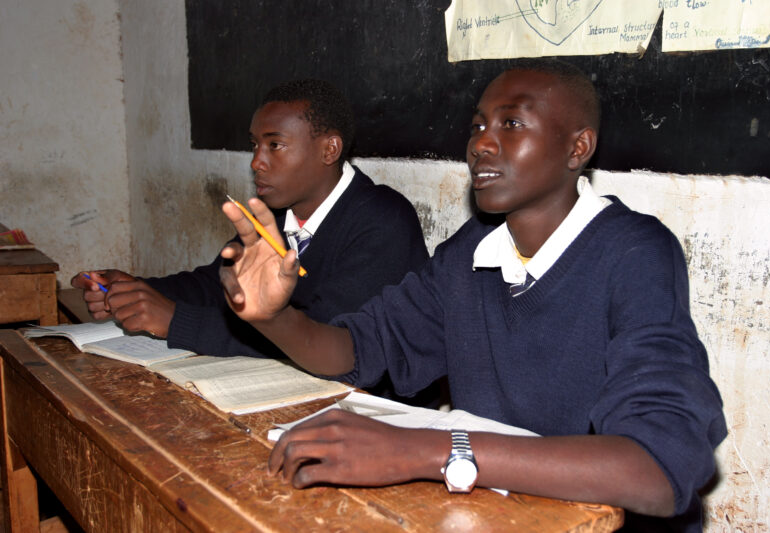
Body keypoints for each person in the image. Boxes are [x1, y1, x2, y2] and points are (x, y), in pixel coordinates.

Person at [218, 61, 726, 531]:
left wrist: (428, 450)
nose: (481, 144)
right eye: (477, 126)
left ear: (578, 148)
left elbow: (657, 469)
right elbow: (361, 347)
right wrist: (274, 317)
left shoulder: (633, 252)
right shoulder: (472, 254)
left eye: (511, 125)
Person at [70, 79, 429, 362]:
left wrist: (174, 320)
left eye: (275, 145)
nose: (257, 161)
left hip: (366, 412)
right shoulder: (273, 215)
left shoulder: (383, 221)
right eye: (255, 144)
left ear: (329, 150)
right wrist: (139, 292)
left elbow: (323, 337)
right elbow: (218, 285)